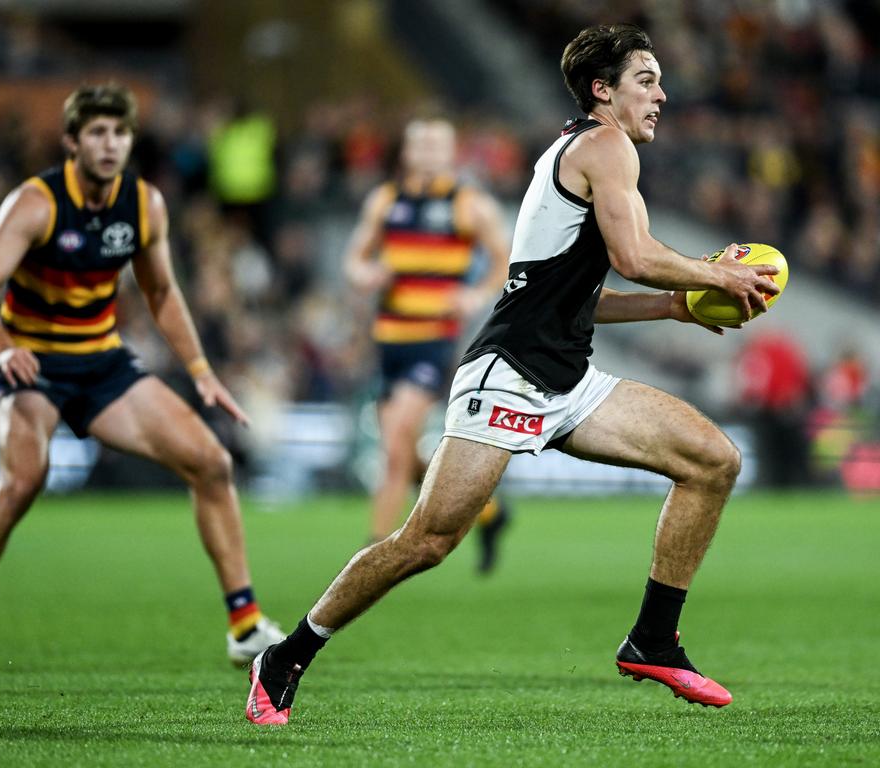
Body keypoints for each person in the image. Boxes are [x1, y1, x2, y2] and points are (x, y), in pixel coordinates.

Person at [245, 24, 781, 724]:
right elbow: (633, 253)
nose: (662, 94)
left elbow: (573, 294)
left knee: (713, 460)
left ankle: (653, 639)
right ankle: (286, 654)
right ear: (603, 90)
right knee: (427, 542)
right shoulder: (603, 145)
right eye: (646, 80)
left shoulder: (584, 153)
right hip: (507, 375)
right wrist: (716, 272)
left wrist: (677, 305)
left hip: (566, 380)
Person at [0, 84, 284, 675]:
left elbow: (161, 292)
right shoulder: (34, 203)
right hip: (34, 366)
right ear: (72, 141)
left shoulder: (144, 205)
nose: (110, 144)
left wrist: (201, 372)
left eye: (119, 133)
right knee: (21, 483)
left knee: (211, 462)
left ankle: (244, 625)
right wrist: (5, 349)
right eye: (97, 133)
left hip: (102, 363)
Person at [344, 118, 512, 571]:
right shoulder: (384, 200)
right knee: (404, 452)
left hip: (433, 339)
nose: (430, 151)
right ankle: (490, 513)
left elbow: (504, 259)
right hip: (388, 339)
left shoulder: (468, 205)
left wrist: (474, 294)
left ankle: (373, 553)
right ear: (407, 151)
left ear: (451, 152)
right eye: (421, 143)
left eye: (439, 144)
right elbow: (355, 259)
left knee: (395, 443)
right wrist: (366, 274)